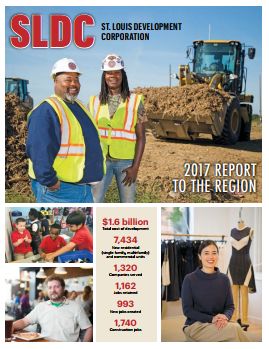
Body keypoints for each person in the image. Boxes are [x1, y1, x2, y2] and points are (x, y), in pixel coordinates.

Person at [26, 57, 105, 203]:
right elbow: (39, 149)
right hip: (59, 191)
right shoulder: (47, 109)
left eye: (76, 79)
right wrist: (49, 180)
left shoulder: (78, 106)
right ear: (55, 81)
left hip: (83, 189)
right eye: (68, 80)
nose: (74, 84)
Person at [89, 53, 146, 203]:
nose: (112, 75)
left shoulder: (136, 101)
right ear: (104, 76)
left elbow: (141, 137)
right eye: (108, 72)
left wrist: (135, 167)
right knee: (94, 202)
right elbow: (88, 135)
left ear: (122, 75)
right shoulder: (94, 101)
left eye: (116, 72)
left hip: (126, 162)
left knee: (128, 204)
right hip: (101, 161)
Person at [181, 240, 249, 342]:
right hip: (196, 326)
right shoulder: (189, 279)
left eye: (214, 253)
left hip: (218, 324)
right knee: (235, 329)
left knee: (233, 336)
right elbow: (187, 310)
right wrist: (212, 319)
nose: (211, 257)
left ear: (218, 255)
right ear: (199, 256)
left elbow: (230, 306)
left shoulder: (224, 279)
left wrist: (225, 316)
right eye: (206, 253)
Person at [13, 276, 93, 342]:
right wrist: (10, 326)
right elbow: (24, 321)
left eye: (56, 287)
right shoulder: (41, 306)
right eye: (50, 287)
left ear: (63, 288)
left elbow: (88, 328)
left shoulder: (76, 307)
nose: (53, 290)